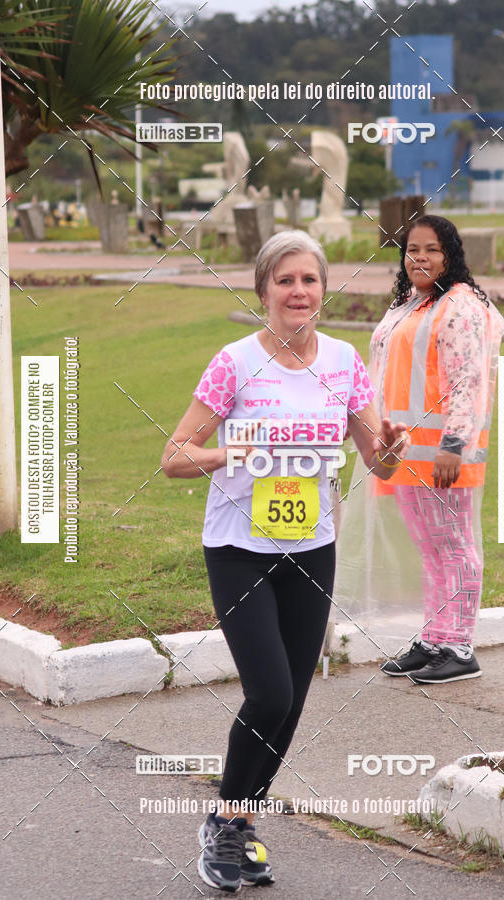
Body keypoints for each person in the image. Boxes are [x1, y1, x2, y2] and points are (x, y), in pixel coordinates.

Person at [161, 230, 408, 893]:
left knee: (291, 703)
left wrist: (391, 449)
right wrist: (230, 453)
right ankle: (223, 821)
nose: (299, 292)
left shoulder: (344, 362)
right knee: (268, 691)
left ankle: (239, 822)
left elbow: (379, 460)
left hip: (312, 549)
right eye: (286, 280)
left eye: (310, 279)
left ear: (324, 289)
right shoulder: (235, 363)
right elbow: (174, 456)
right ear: (264, 290)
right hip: (238, 550)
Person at [373, 215, 504, 683]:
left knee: (455, 546)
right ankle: (435, 639)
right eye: (412, 249)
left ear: (450, 255)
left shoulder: (460, 305)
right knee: (431, 549)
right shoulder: (411, 304)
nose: (420, 258)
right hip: (408, 452)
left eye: (432, 249)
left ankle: (459, 647)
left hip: (445, 454)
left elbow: (468, 381)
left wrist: (454, 444)